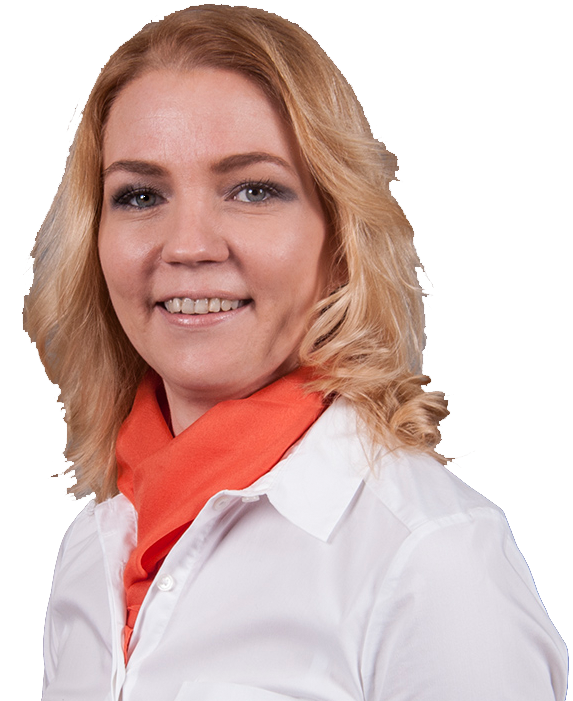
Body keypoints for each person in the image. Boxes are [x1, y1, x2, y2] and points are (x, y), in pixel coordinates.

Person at [24, 5, 568, 700]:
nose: (188, 245)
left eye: (253, 189)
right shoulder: (91, 548)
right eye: (139, 195)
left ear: (340, 236)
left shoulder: (430, 556)